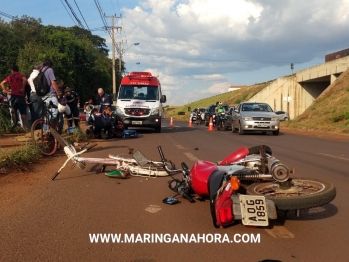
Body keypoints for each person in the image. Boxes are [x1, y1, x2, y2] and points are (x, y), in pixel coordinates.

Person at [0, 65, 28, 130]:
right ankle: (24, 126)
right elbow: (25, 80)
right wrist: (23, 88)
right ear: (18, 70)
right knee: (23, 111)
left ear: (12, 70)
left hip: (13, 95)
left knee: (13, 110)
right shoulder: (21, 75)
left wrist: (6, 91)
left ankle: (15, 126)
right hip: (20, 95)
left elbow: (1, 83)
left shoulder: (10, 77)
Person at [42, 58, 63, 123]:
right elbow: (53, 83)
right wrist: (58, 93)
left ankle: (45, 129)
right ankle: (51, 128)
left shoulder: (41, 71)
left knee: (46, 113)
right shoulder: (50, 70)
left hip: (43, 94)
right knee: (55, 111)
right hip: (51, 94)